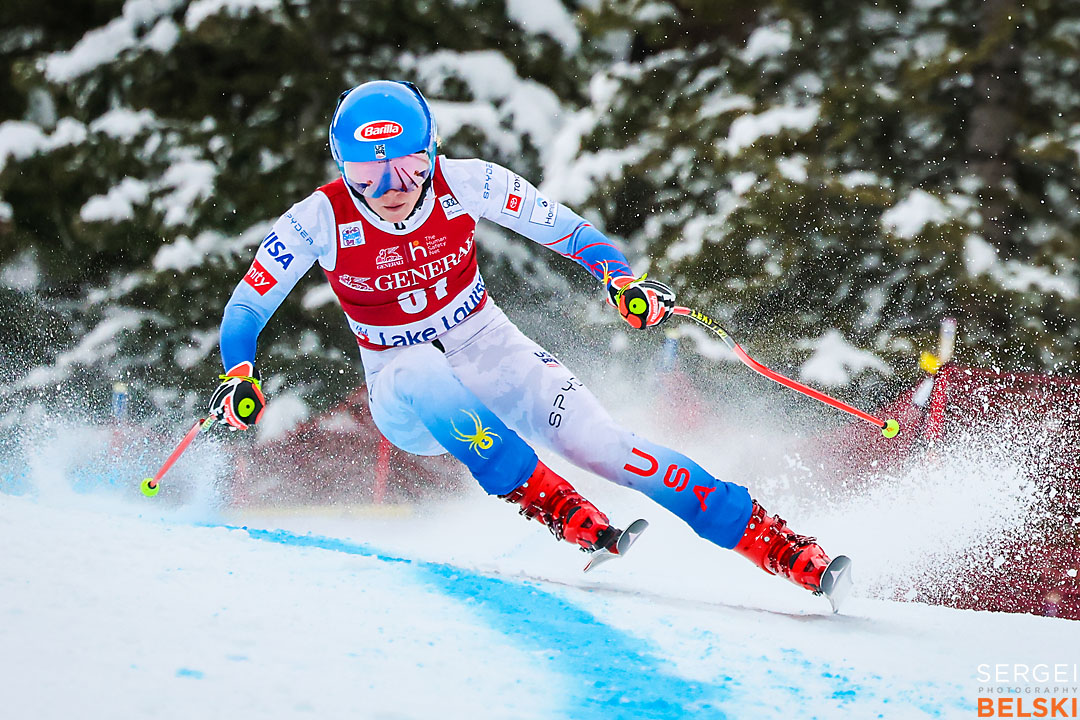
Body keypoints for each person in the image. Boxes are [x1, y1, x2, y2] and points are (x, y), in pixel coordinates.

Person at [211, 80, 850, 606]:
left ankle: (777, 544)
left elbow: (573, 235)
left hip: (484, 342)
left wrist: (622, 281)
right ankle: (556, 504)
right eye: (368, 173)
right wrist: (240, 372)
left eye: (408, 165)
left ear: (432, 153)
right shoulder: (319, 218)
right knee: (424, 371)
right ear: (341, 165)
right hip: (400, 386)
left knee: (605, 447)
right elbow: (249, 303)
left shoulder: (469, 182)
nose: (393, 187)